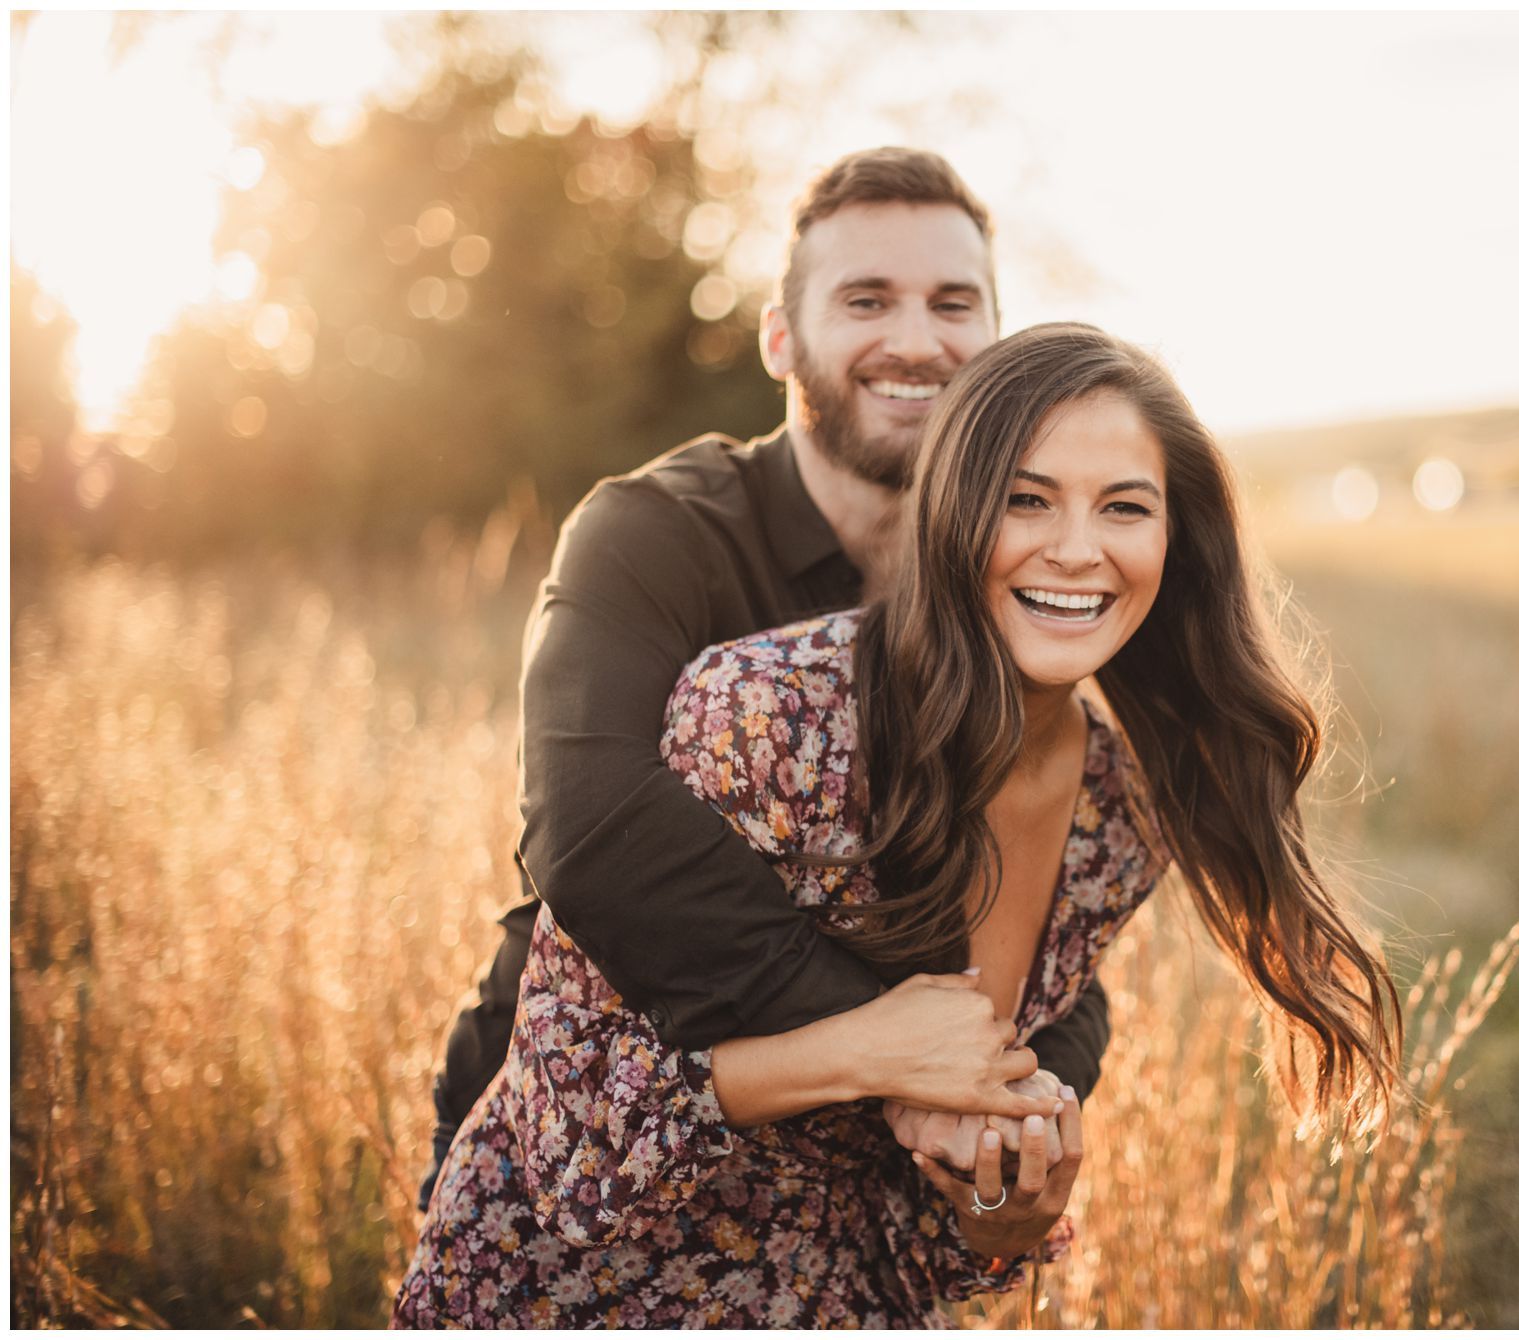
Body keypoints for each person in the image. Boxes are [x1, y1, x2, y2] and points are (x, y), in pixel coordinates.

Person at [392, 322, 1403, 1327]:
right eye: (1025, 498)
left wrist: (1001, 1210)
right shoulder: (764, 711)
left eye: (1124, 507)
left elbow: (925, 1207)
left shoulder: (1122, 809)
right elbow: (569, 1125)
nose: (1077, 548)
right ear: (952, 512)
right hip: (573, 1298)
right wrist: (867, 1053)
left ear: (1174, 541)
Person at [417, 148, 1112, 1211]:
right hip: (583, 1135)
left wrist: (1023, 1086)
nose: (917, 340)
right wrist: (885, 1050)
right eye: (866, 299)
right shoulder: (650, 531)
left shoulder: (1026, 576)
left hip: (851, 1195)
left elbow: (1063, 908)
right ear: (780, 336)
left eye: (952, 303)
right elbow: (590, 823)